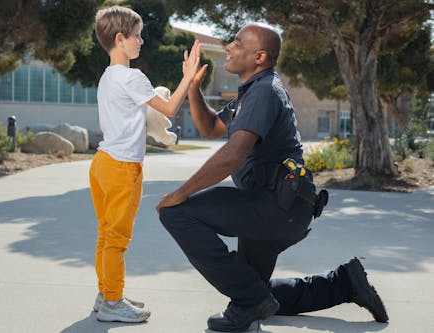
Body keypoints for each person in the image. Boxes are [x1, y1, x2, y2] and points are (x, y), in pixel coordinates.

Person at [156, 23, 388, 332]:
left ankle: (250, 301)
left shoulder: (264, 91)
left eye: (238, 44)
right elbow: (210, 128)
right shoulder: (252, 92)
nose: (229, 47)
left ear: (260, 57)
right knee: (259, 291)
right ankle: (345, 283)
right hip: (280, 206)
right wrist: (193, 88)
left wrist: (180, 193)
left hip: (276, 205)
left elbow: (233, 154)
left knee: (177, 213)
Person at [89, 5, 200, 323]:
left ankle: (106, 294)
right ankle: (112, 301)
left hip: (102, 163)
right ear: (120, 39)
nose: (142, 42)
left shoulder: (108, 77)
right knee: (117, 239)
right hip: (123, 167)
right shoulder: (132, 76)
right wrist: (188, 77)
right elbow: (169, 107)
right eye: (137, 36)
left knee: (105, 235)